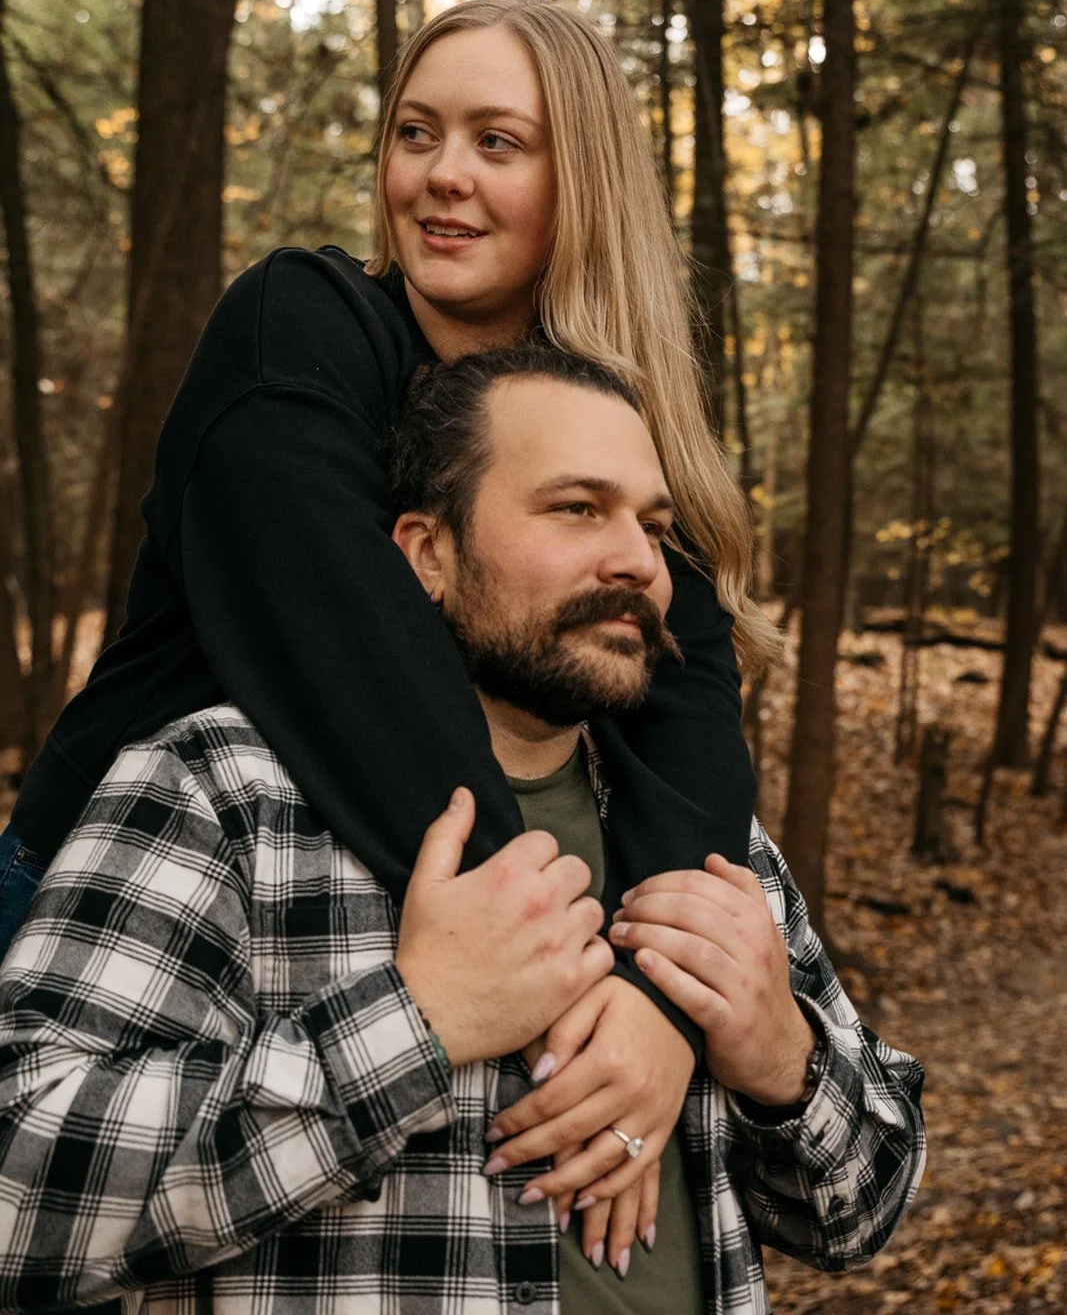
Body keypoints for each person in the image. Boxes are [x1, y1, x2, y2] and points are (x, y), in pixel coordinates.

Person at [0, 0, 777, 1227]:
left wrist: (662, 1000)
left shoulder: (591, 419)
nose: (440, 175)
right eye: (416, 133)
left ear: (581, 183)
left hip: (404, 931)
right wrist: (566, 965)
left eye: (495, 142)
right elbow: (346, 641)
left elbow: (687, 688)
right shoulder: (298, 325)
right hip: (140, 901)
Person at [0, 346, 925, 1314]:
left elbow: (860, 1214)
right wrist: (415, 1023)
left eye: (652, 527)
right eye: (577, 508)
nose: (637, 561)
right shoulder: (226, 788)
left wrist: (780, 1059)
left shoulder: (708, 837)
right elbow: (18, 1189)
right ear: (427, 555)